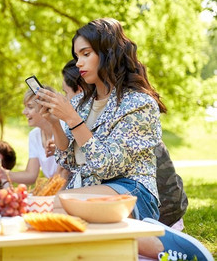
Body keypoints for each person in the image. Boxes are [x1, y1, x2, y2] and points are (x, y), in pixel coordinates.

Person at [37, 18, 212, 260]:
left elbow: (108, 164)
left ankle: (166, 247)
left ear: (107, 53)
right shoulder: (81, 103)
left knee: (58, 206)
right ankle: (149, 241)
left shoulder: (139, 103)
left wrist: (73, 119)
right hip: (91, 194)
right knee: (45, 211)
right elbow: (69, 161)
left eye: (85, 54)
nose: (78, 63)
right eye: (77, 56)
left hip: (132, 191)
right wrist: (57, 122)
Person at [2, 86, 57, 185]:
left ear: (46, 107)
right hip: (54, 190)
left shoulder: (64, 129)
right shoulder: (34, 135)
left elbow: (63, 176)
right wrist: (1, 173)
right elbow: (31, 175)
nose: (24, 112)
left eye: (30, 107)